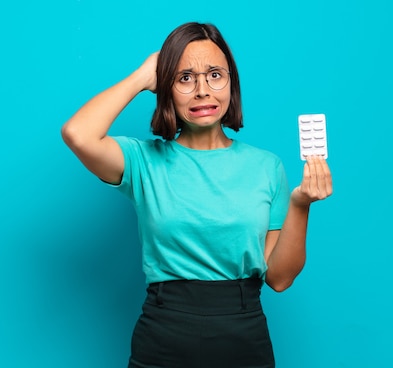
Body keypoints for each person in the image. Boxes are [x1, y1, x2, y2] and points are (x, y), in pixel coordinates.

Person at [61, 22, 332, 368]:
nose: (203, 90)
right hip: (164, 332)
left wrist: (300, 204)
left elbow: (279, 278)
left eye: (215, 75)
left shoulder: (266, 166)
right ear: (167, 89)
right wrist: (144, 75)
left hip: (243, 332)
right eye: (185, 78)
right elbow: (77, 134)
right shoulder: (143, 161)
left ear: (231, 83)